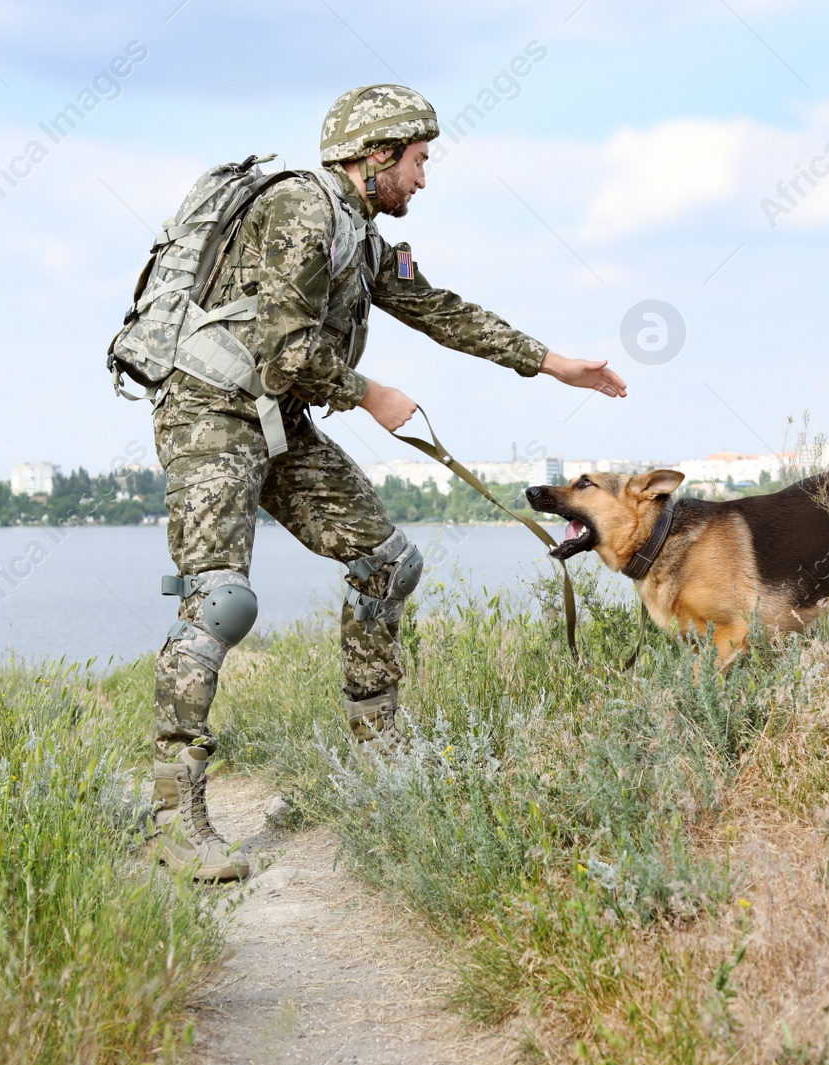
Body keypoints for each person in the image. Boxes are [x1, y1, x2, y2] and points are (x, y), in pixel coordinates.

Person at [148, 83, 628, 880]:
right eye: (418, 160)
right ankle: (173, 813)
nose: (424, 178)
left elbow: (435, 307)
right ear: (376, 157)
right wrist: (372, 395)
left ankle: (377, 758)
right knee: (220, 602)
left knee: (386, 561)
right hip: (211, 415)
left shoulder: (362, 235)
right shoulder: (304, 209)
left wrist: (551, 363)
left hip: (278, 421)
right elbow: (286, 350)